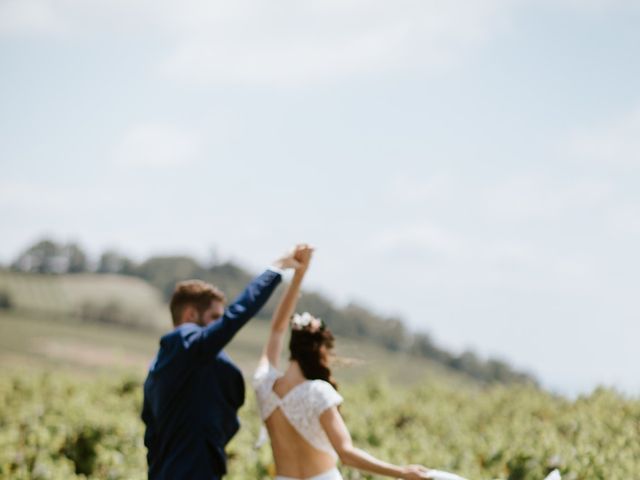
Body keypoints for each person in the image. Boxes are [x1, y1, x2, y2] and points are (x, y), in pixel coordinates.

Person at [253, 245, 436, 480]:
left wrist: (298, 275)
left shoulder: (264, 385)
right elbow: (347, 455)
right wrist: (401, 472)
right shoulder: (318, 393)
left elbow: (277, 329)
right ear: (321, 351)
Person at [141, 246, 303, 480]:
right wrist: (275, 269)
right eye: (215, 318)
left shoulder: (157, 368)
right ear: (190, 316)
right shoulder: (185, 343)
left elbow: (152, 437)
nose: (219, 326)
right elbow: (235, 317)